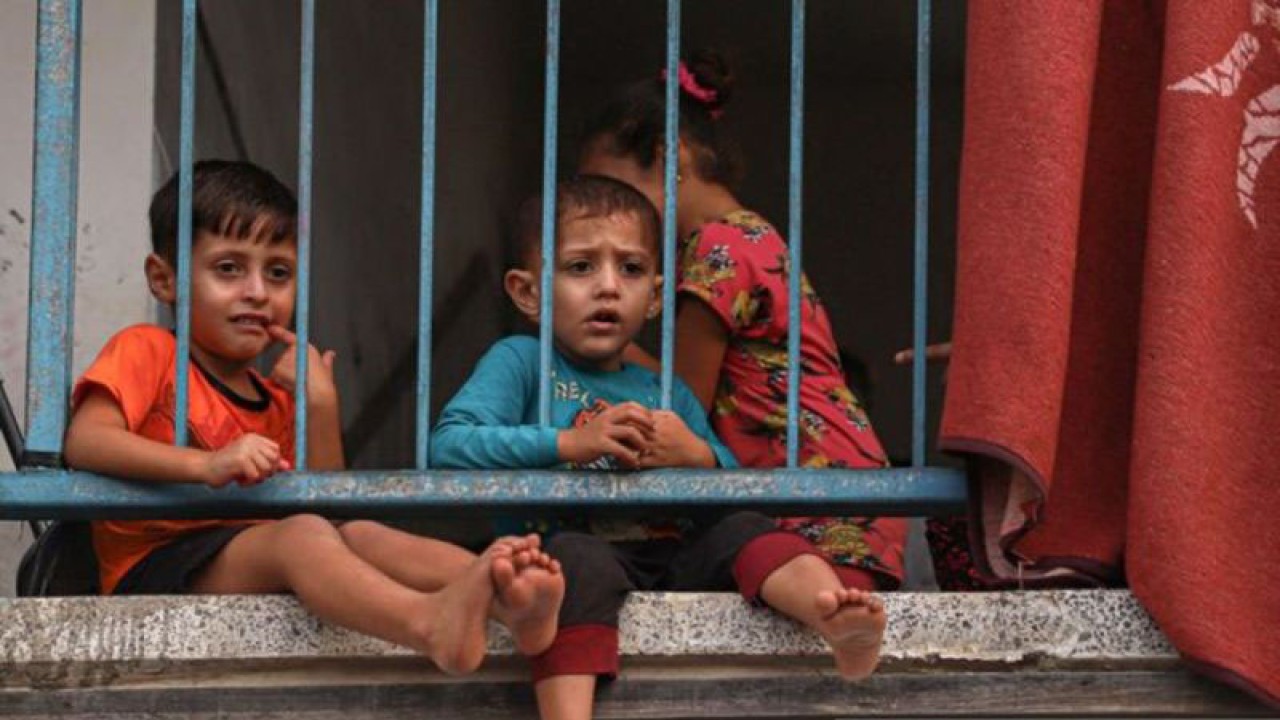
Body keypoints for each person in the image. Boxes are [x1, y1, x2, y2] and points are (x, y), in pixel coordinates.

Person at [62, 160, 563, 675]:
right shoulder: (148, 350)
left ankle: (507, 594)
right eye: (229, 269)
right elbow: (86, 441)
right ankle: (426, 622)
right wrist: (205, 465)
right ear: (163, 280)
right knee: (299, 535)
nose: (258, 291)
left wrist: (321, 407)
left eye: (277, 273)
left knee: (361, 532)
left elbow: (330, 508)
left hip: (251, 552)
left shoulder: (276, 397)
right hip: (156, 563)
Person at [433, 175, 885, 720]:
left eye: (631, 269)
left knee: (744, 528)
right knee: (575, 562)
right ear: (528, 292)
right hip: (565, 553)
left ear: (654, 295)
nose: (608, 287)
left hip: (674, 554)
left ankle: (833, 616)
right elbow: (451, 444)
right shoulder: (522, 360)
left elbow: (737, 487)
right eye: (581, 267)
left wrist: (697, 457)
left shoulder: (663, 392)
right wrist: (570, 442)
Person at [579, 50, 908, 612]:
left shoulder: (719, 246)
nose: (602, 213)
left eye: (610, 190)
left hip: (815, 512)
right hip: (836, 504)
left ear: (666, 157)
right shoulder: (742, 237)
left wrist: (594, 351)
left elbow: (682, 403)